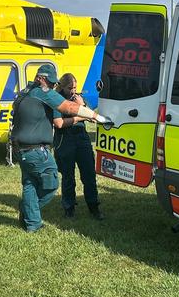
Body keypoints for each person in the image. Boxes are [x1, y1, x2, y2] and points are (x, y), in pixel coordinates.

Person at [10, 64, 110, 232]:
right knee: (51, 183)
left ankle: (32, 224)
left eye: (53, 83)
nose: (51, 86)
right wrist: (96, 116)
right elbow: (66, 111)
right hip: (37, 148)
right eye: (49, 82)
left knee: (30, 183)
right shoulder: (44, 93)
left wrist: (82, 104)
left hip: (21, 147)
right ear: (40, 78)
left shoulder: (24, 92)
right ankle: (30, 211)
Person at [53, 73, 103, 220]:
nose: (73, 91)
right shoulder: (57, 100)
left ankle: (93, 207)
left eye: (75, 87)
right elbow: (58, 123)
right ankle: (69, 208)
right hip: (65, 140)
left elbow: (93, 117)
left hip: (81, 139)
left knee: (89, 175)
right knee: (68, 176)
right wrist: (81, 117)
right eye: (70, 88)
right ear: (62, 87)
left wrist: (82, 106)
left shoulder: (78, 98)